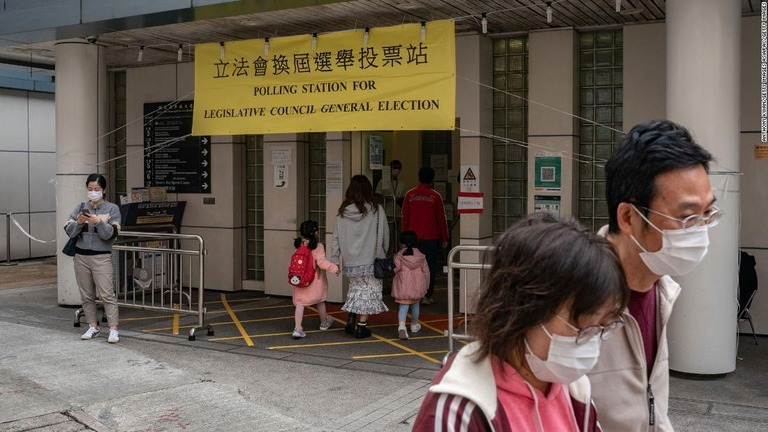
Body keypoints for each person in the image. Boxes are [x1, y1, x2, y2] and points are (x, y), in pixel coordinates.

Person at [412, 214, 629, 432]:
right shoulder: (460, 413)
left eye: (605, 327)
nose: (593, 342)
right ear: (522, 308)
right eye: (584, 326)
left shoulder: (574, 391)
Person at [587, 119, 719, 431]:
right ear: (629, 216)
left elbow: (651, 411)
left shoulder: (661, 289)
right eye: (686, 217)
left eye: (708, 214)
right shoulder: (570, 298)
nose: (700, 231)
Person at [64, 174, 122, 343]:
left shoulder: (112, 209)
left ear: (104, 190)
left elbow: (110, 235)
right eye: (90, 189)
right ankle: (92, 326)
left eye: (96, 189)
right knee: (86, 295)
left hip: (101, 257)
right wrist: (79, 222)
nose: (93, 192)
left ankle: (113, 329)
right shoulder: (80, 207)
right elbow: (70, 231)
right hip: (81, 256)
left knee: (107, 294)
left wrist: (98, 222)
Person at [329, 175, 389, 339]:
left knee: (356, 290)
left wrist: (335, 260)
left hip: (350, 261)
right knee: (370, 293)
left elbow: (335, 238)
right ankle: (361, 327)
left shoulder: (342, 212)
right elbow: (385, 236)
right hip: (371, 259)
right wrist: (383, 252)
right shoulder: (376, 210)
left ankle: (351, 319)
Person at [401, 166, 448, 305]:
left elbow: (405, 217)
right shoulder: (436, 196)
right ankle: (427, 295)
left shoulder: (410, 194)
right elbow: (441, 219)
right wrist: (444, 238)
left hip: (412, 239)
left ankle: (414, 293)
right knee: (429, 268)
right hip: (431, 238)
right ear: (432, 179)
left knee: (412, 267)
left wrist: (403, 238)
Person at [290, 220, 340, 339]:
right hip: (315, 281)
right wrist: (335, 268)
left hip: (300, 280)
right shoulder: (318, 246)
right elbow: (321, 263)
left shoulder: (299, 244)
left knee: (300, 304)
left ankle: (297, 328)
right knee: (320, 301)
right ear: (316, 233)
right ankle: (324, 323)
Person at [391, 230, 429, 340]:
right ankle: (414, 325)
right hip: (417, 287)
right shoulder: (421, 256)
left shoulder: (399, 256)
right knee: (415, 306)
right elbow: (426, 272)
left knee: (403, 306)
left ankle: (402, 327)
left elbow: (395, 269)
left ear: (402, 243)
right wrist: (426, 285)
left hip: (403, 287)